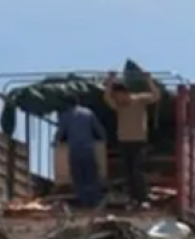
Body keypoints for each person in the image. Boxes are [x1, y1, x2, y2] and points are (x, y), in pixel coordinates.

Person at [103, 72, 161, 206]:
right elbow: (106, 97)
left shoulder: (139, 100)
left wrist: (149, 80)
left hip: (139, 141)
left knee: (137, 170)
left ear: (125, 93)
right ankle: (132, 198)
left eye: (119, 95)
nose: (118, 98)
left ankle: (142, 198)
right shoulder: (118, 106)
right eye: (115, 96)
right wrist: (110, 80)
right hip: (124, 141)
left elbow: (156, 96)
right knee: (128, 173)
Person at [55, 102, 105, 208]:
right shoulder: (88, 113)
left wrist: (55, 142)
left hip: (75, 150)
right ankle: (94, 200)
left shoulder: (66, 115)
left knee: (78, 176)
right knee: (91, 175)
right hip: (88, 149)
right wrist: (104, 139)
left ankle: (84, 201)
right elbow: (98, 128)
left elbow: (60, 131)